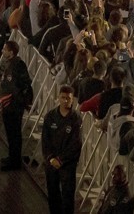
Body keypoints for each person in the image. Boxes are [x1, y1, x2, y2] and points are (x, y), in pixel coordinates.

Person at [42, 86, 83, 214]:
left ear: (72, 100)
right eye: (63, 98)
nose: (65, 101)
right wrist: (51, 158)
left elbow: (76, 144)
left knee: (68, 197)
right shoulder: (50, 117)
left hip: (67, 165)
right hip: (51, 162)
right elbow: (45, 141)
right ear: (58, 98)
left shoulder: (76, 118)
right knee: (53, 194)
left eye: (68, 98)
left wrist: (61, 160)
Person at [0, 40, 33, 172]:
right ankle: (12, 157)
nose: (2, 51)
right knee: (10, 133)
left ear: (11, 52)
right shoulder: (9, 64)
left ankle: (15, 161)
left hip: (13, 106)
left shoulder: (18, 65)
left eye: (5, 49)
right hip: (8, 105)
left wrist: (19, 101)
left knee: (15, 134)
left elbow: (23, 85)